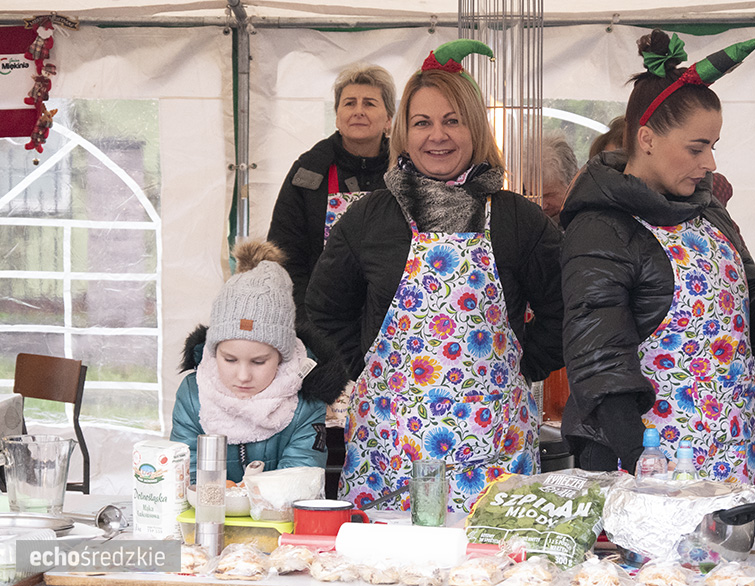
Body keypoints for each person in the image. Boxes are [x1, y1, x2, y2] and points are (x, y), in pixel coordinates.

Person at [306, 40, 564, 512]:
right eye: (422, 122)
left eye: (452, 120)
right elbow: (324, 309)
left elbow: (564, 307)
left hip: (494, 453)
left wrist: (525, 367)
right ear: (403, 132)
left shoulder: (517, 219)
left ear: (476, 129)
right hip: (389, 450)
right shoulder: (369, 219)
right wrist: (363, 368)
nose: (437, 136)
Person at [560, 29, 755, 484]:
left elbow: (748, 294)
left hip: (729, 453)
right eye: (697, 148)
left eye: (713, 147)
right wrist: (644, 468)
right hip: (647, 464)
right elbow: (600, 361)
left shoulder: (708, 209)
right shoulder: (600, 227)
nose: (711, 164)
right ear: (647, 138)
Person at [170, 239, 348, 484]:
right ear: (213, 351)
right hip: (207, 517)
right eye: (230, 359)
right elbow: (182, 469)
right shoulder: (193, 394)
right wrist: (210, 487)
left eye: (259, 362)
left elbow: (302, 475)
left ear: (282, 357)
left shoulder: (305, 400)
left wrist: (251, 492)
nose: (243, 376)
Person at [267, 63, 396, 317]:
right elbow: (286, 252)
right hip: (322, 318)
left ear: (389, 120)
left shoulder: (407, 171)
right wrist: (307, 320)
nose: (358, 111)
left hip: (393, 319)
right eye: (349, 103)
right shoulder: (309, 171)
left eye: (369, 103)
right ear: (337, 116)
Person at [525, 131, 578, 225]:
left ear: (573, 183)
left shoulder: (586, 222)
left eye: (549, 195)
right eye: (532, 195)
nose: (542, 205)